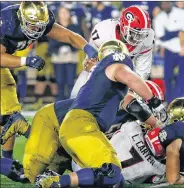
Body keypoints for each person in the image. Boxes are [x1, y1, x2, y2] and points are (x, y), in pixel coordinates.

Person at [36, 39, 165, 187]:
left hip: (78, 139)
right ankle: (56, 180)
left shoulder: (105, 81)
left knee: (116, 181)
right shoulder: (128, 98)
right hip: (86, 140)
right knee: (112, 174)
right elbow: (134, 104)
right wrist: (156, 114)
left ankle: (55, 173)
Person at [0, 2, 97, 158]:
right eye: (33, 26)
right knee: (7, 113)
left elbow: (69, 36)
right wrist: (25, 61)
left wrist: (87, 48)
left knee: (9, 111)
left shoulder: (41, 23)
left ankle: (7, 161)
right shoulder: (7, 22)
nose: (37, 30)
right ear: (22, 19)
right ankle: (19, 136)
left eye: (40, 26)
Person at [70, 5, 155, 99]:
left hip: (124, 77)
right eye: (134, 33)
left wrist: (134, 90)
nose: (138, 38)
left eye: (142, 34)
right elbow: (91, 63)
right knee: (75, 100)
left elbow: (142, 70)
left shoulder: (148, 37)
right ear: (123, 26)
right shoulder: (104, 30)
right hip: (95, 73)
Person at [49, 6, 81, 101]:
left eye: (65, 12)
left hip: (71, 57)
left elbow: (77, 40)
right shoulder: (54, 27)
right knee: (60, 82)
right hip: (58, 58)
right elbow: (52, 41)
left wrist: (69, 47)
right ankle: (60, 103)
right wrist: (60, 47)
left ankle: (70, 102)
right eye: (61, 12)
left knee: (70, 82)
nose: (63, 15)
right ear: (58, 15)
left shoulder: (74, 27)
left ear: (69, 14)